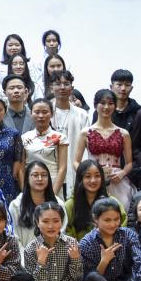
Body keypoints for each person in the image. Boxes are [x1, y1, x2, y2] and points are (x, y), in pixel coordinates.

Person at [20, 201, 111, 281]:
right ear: (37, 222)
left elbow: (77, 280)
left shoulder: (72, 243)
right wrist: (41, 262)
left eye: (55, 221)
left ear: (61, 222)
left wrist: (75, 260)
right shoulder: (31, 248)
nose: (51, 226)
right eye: (45, 221)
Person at [75, 89, 134, 203]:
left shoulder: (124, 133)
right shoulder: (85, 133)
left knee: (119, 210)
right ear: (95, 105)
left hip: (116, 180)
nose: (106, 107)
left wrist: (122, 173)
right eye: (102, 103)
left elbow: (129, 163)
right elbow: (76, 161)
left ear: (115, 106)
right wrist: (87, 175)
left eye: (110, 103)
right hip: (93, 180)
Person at [49, 69, 90, 197]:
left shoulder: (82, 115)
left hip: (74, 168)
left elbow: (87, 147)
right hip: (50, 169)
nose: (62, 87)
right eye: (58, 84)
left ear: (72, 88)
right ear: (51, 88)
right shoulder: (45, 112)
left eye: (66, 84)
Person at [9, 160, 59, 255]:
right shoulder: (16, 206)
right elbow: (14, 237)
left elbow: (61, 235)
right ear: (27, 178)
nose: (40, 178)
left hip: (54, 257)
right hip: (23, 258)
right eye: (35, 175)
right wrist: (26, 259)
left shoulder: (58, 204)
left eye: (44, 175)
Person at [21, 99, 68, 193]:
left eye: (45, 112)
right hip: (31, 183)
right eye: (37, 112)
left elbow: (62, 168)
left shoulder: (60, 138)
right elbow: (21, 169)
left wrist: (54, 193)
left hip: (53, 182)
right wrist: (24, 191)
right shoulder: (24, 137)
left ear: (52, 114)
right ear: (31, 114)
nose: (41, 116)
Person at [64, 158, 114, 240]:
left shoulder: (112, 203)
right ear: (80, 179)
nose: (93, 180)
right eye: (88, 176)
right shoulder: (70, 205)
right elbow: (65, 232)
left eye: (97, 176)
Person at [100, 69, 141, 133]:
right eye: (119, 84)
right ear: (111, 87)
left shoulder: (139, 113)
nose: (123, 88)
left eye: (127, 85)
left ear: (131, 88)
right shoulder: (101, 111)